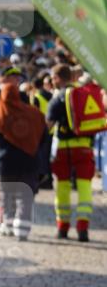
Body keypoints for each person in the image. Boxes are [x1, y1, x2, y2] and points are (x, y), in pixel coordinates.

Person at [0, 67, 48, 241]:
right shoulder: (34, 114)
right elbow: (43, 136)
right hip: (29, 160)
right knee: (25, 194)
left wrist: (0, 149)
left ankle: (7, 224)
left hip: (6, 162)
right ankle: (23, 228)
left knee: (7, 193)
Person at [46, 63, 98, 241]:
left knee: (63, 188)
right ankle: (83, 228)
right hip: (85, 147)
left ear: (58, 78)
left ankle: (63, 228)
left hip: (64, 150)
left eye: (53, 78)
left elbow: (48, 126)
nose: (52, 82)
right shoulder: (83, 93)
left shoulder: (58, 97)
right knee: (85, 187)